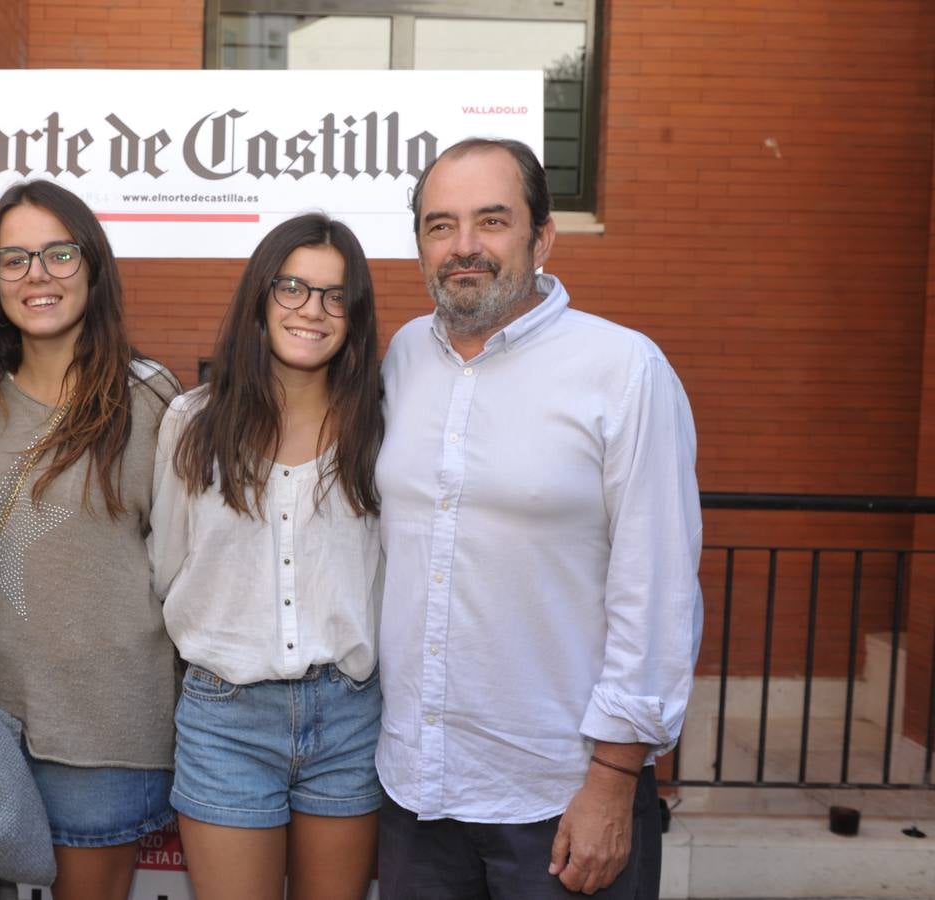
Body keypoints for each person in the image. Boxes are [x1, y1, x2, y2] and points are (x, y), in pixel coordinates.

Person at [374, 137, 703, 898]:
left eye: (492, 221)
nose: (464, 247)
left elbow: (657, 591)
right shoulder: (401, 359)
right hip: (415, 791)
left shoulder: (624, 370)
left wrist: (615, 780)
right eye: (439, 224)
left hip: (558, 798)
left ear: (542, 237)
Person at [0, 180, 179, 900]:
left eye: (58, 253)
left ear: (92, 265)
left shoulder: (149, 399)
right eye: (13, 259)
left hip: (105, 729)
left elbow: (184, 566)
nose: (38, 275)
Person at [150, 213, 384, 900]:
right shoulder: (192, 423)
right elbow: (169, 567)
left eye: (334, 295)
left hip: (349, 718)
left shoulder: (381, 427)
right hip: (226, 717)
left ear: (354, 315)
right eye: (292, 288)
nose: (312, 310)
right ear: (260, 296)